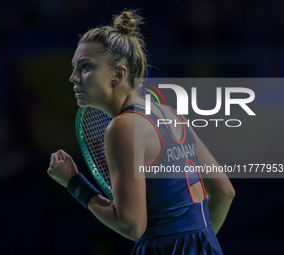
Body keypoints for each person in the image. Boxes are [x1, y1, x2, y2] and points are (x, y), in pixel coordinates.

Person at [47, 10, 235, 254]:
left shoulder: (123, 127)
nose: (73, 77)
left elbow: (132, 225)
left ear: (119, 74)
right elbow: (224, 191)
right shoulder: (170, 113)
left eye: (85, 67)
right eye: (74, 67)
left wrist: (73, 182)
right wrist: (196, 241)